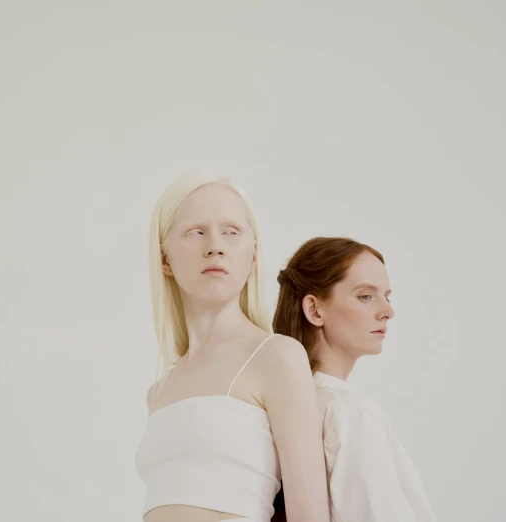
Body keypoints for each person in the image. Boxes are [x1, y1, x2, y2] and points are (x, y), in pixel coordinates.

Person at [134, 172, 330, 522]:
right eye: (196, 232)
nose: (215, 246)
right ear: (164, 258)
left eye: (231, 232)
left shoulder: (276, 357)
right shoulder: (159, 392)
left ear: (252, 255)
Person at [271, 237, 435, 522]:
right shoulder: (349, 414)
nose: (388, 311)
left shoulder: (277, 405)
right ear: (314, 310)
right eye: (366, 296)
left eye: (387, 296)